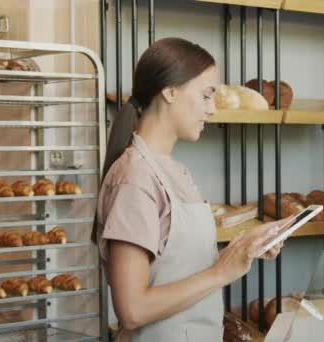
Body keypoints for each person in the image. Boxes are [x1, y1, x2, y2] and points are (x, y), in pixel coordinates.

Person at [92, 37, 290, 341]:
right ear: (170, 91)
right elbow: (132, 309)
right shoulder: (134, 179)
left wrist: (243, 249)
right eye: (206, 95)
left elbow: (173, 265)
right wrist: (221, 272)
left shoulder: (173, 169)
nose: (212, 109)